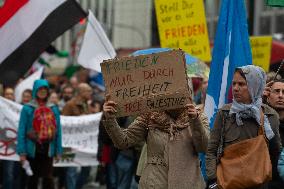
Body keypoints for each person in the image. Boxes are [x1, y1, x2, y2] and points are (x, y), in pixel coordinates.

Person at [103, 88, 209, 188]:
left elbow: (204, 147)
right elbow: (123, 141)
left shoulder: (198, 116)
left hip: (188, 183)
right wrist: (110, 118)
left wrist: (195, 120)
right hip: (154, 183)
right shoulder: (150, 116)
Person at [206, 65, 281, 189]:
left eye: (241, 84)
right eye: (234, 83)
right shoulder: (225, 113)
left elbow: (275, 153)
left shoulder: (270, 116)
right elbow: (211, 150)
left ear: (254, 86)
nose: (235, 88)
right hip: (227, 184)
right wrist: (213, 180)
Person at [16, 79, 63, 189]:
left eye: (45, 89)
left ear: (48, 92)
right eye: (40, 89)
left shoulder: (53, 108)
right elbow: (21, 130)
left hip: (48, 147)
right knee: (33, 178)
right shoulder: (27, 108)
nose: (42, 91)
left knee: (48, 178)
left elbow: (58, 131)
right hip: (32, 148)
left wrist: (58, 150)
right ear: (35, 91)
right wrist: (22, 152)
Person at [62, 83, 93, 189]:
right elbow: (63, 123)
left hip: (84, 143)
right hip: (70, 144)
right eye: (88, 91)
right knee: (71, 171)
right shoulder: (70, 105)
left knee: (87, 169)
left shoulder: (87, 105)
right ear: (81, 92)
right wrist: (79, 119)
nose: (91, 93)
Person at [266, 79, 284, 188]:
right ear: (268, 96)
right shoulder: (259, 121)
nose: (281, 95)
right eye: (276, 91)